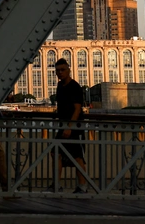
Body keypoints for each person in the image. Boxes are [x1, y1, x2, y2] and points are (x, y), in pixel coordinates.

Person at [50, 58, 88, 193]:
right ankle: (56, 184)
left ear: (69, 70)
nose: (60, 73)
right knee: (55, 152)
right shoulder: (60, 86)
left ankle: (82, 186)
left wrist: (70, 126)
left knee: (77, 156)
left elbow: (77, 108)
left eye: (62, 70)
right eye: (57, 71)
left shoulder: (75, 86)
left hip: (74, 127)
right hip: (64, 125)